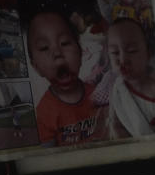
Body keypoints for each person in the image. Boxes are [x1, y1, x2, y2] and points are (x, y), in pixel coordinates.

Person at [27, 11, 100, 146]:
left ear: (80, 51)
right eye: (44, 48)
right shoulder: (44, 114)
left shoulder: (99, 94)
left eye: (65, 43)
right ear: (36, 66)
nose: (57, 53)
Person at [105, 17, 155, 137]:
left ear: (148, 53)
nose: (122, 60)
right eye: (115, 52)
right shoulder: (118, 86)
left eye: (131, 51)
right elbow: (115, 122)